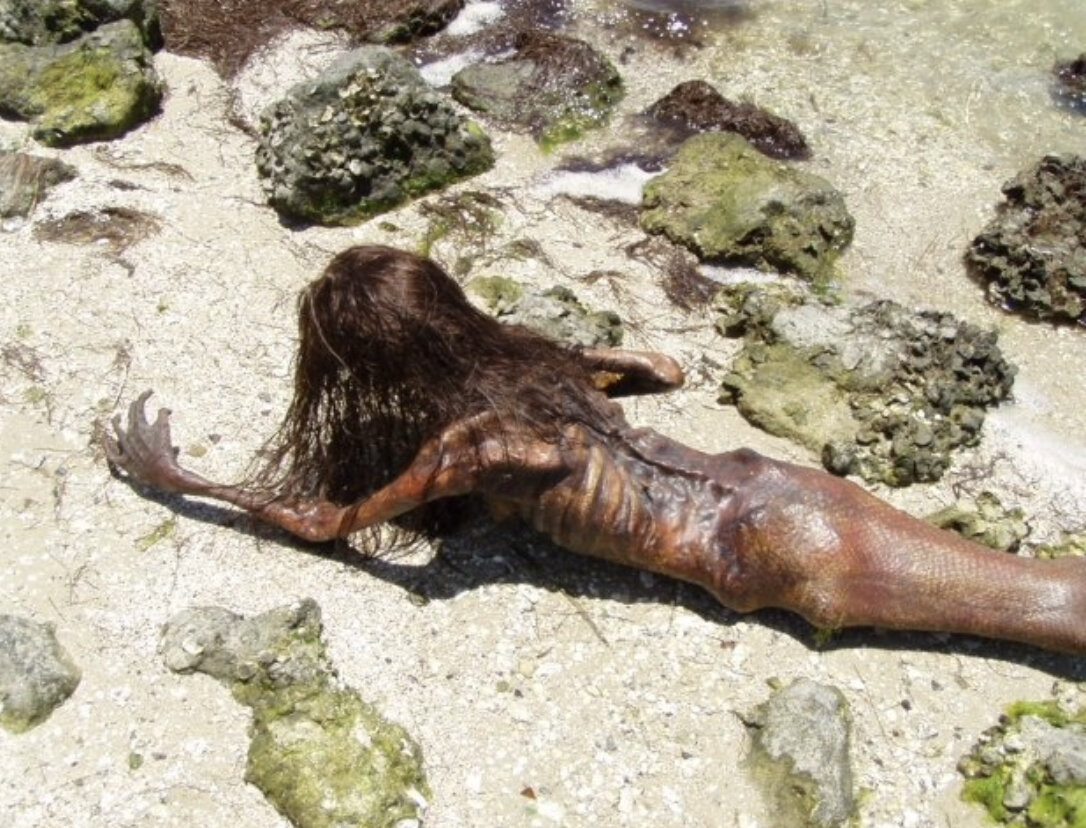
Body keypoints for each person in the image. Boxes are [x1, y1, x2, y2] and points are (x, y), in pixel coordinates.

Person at [106, 246, 1086, 654]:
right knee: (1042, 585)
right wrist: (626, 370)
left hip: (763, 554)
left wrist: (187, 481)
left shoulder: (468, 450)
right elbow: (658, 371)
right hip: (774, 489)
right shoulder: (537, 360)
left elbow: (327, 525)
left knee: (1042, 607)